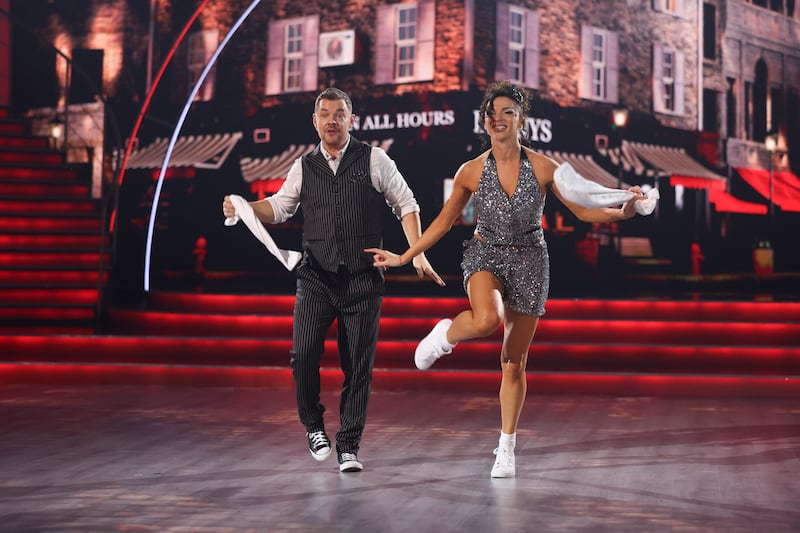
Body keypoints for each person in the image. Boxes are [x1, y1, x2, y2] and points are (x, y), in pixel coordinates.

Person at [365, 81, 648, 478]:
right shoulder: (471, 171)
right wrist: (404, 257)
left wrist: (625, 210)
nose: (498, 119)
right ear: (485, 122)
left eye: (507, 112)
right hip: (486, 254)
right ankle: (446, 335)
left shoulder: (546, 168)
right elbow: (444, 223)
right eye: (492, 113)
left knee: (513, 363)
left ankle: (506, 447)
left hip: (532, 262)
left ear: (521, 120)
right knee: (486, 320)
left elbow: (584, 212)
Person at [223, 87, 442, 473]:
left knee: (358, 365)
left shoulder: (375, 160)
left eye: (339, 113)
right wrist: (243, 206)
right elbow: (279, 207)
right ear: (315, 121)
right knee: (303, 355)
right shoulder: (303, 167)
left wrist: (417, 252)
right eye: (324, 114)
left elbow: (406, 204)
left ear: (351, 120)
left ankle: (349, 446)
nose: (332, 120)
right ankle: (313, 425)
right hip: (315, 277)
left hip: (362, 279)